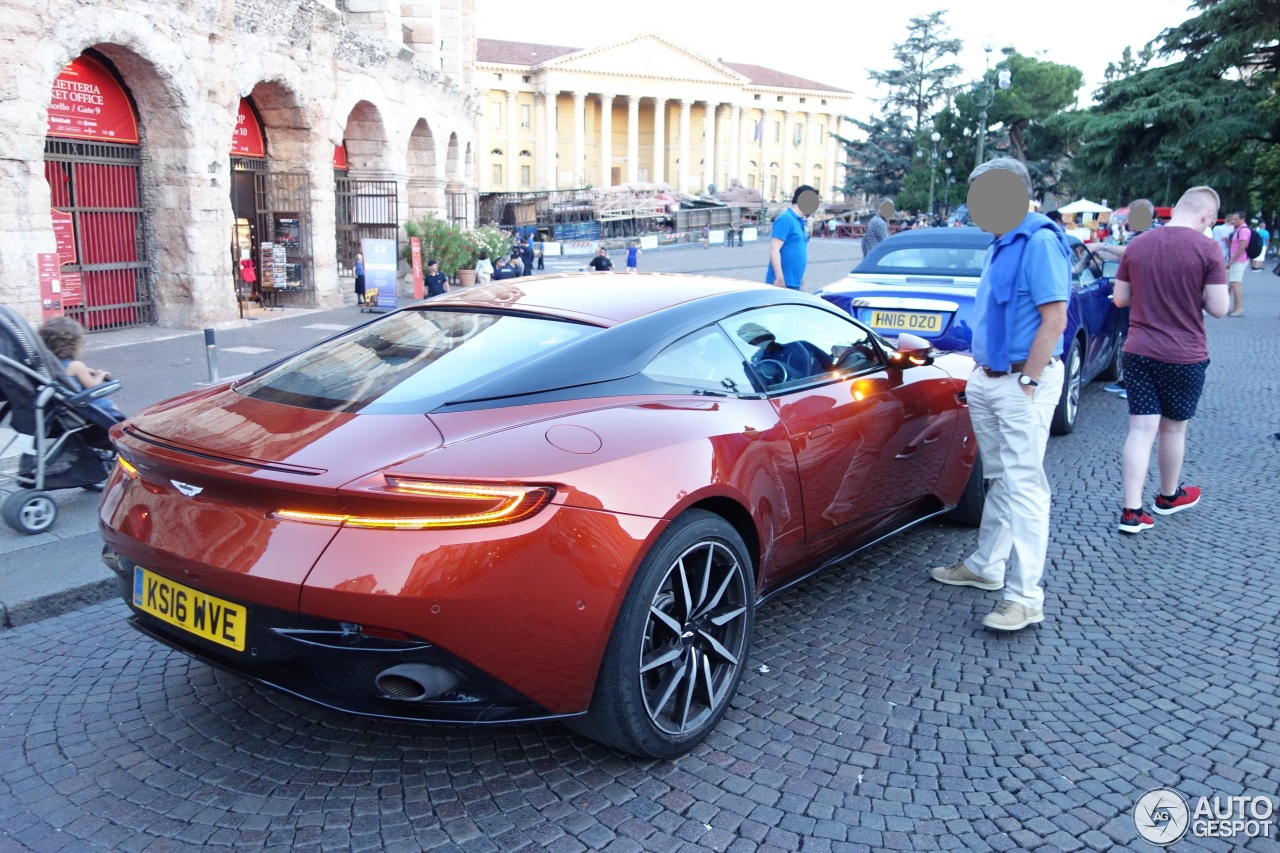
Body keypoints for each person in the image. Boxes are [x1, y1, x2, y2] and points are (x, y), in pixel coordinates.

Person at [929, 157, 1069, 632]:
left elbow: (1055, 320)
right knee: (1001, 480)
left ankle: (1026, 597)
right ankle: (988, 566)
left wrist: (1027, 381)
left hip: (1019, 382)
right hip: (992, 379)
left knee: (1025, 488)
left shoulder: (1039, 241)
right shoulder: (1001, 241)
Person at [1112, 186, 1229, 534]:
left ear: (1176, 208)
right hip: (1184, 354)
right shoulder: (1208, 248)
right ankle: (1167, 496)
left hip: (1139, 350)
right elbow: (1220, 308)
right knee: (1173, 428)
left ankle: (1132, 512)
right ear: (1207, 217)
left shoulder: (1138, 245)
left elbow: (1120, 299)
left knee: (1140, 430)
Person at [38, 316, 125, 421]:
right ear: (74, 345)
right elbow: (92, 386)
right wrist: (99, 376)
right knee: (111, 406)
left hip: (64, 405)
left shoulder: (51, 364)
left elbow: (68, 374)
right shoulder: (76, 366)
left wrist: (84, 372)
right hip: (83, 404)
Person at [766, 185, 817, 290]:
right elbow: (774, 249)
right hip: (782, 283)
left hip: (794, 282)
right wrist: (779, 278)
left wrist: (800, 280)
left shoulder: (799, 222)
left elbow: (797, 250)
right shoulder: (786, 219)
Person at [1225, 211, 1250, 316]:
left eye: (1236, 219)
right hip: (1238, 259)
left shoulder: (1243, 230)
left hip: (1239, 260)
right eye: (1233, 219)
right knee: (1234, 283)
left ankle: (1239, 308)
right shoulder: (1239, 229)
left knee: (1235, 283)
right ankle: (1235, 307)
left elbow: (1242, 247)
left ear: (1242, 219)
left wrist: (1232, 260)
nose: (1233, 221)